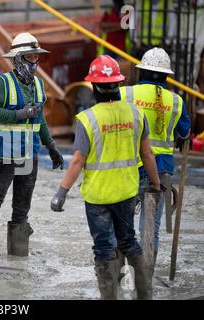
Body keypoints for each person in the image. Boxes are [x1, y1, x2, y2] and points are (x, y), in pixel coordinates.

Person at [51, 55, 161, 300]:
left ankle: (109, 297)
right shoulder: (135, 114)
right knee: (129, 242)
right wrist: (155, 183)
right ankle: (145, 295)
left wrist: (62, 192)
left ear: (95, 87)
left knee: (103, 248)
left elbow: (78, 159)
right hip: (127, 192)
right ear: (118, 85)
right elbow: (147, 154)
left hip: (98, 196)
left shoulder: (87, 119)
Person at [0, 33, 64, 257]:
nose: (35, 62)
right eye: (30, 57)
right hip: (6, 156)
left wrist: (51, 147)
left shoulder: (39, 85)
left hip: (30, 156)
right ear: (19, 58)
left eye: (36, 57)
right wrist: (19, 113)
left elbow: (40, 121)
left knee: (22, 209)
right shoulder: (3, 83)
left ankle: (18, 258)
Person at [120, 47, 191, 273]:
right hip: (160, 173)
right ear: (165, 76)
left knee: (122, 225)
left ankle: (119, 277)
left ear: (143, 71)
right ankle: (145, 280)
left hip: (127, 169)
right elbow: (185, 132)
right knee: (151, 229)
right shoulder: (176, 101)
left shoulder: (126, 94)